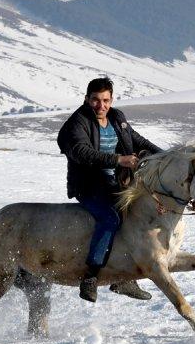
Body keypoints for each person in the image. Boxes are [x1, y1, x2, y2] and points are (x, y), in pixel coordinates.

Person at [57, 77, 162, 302]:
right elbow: (82, 152)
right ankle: (90, 277)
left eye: (105, 100)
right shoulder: (77, 123)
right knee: (110, 219)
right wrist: (119, 160)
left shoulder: (116, 118)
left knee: (139, 214)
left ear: (111, 100)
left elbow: (137, 140)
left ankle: (123, 278)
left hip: (114, 184)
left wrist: (164, 156)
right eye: (95, 100)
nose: (101, 106)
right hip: (88, 185)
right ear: (86, 99)